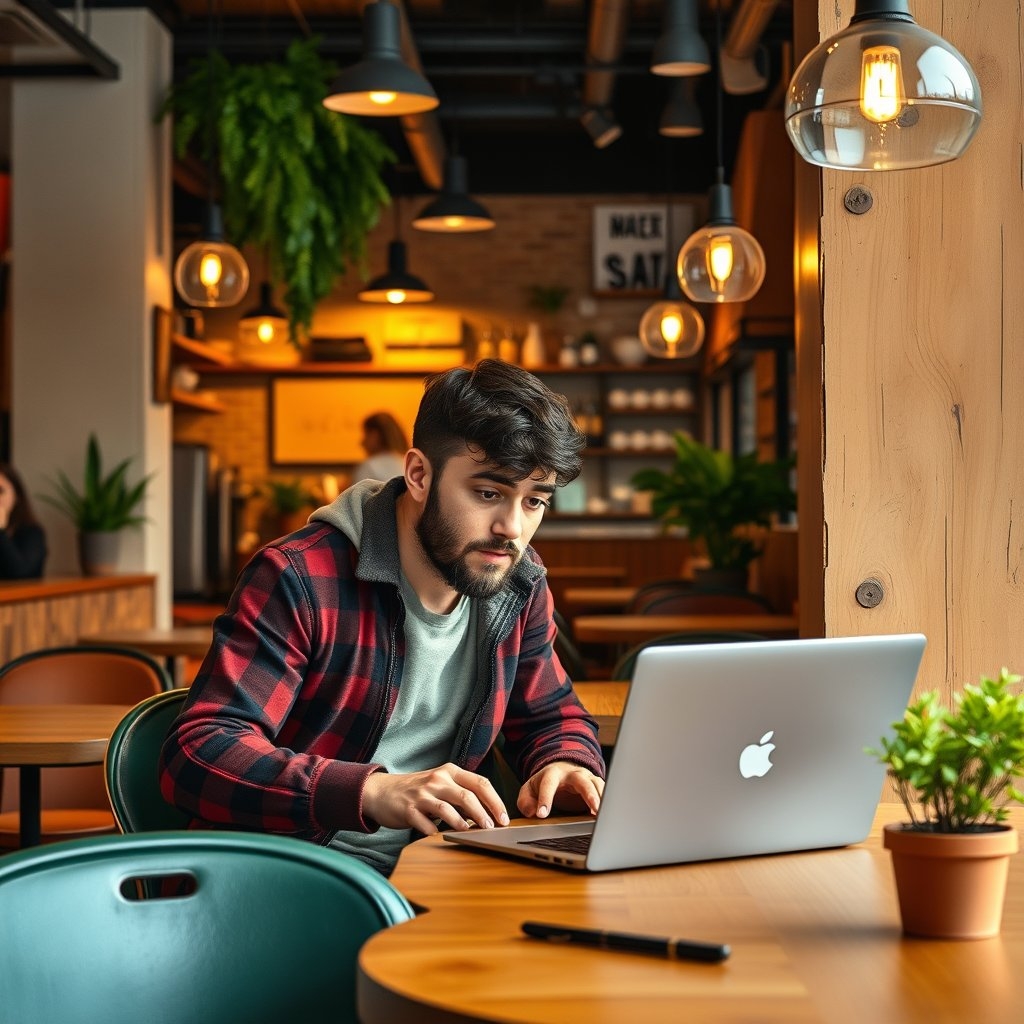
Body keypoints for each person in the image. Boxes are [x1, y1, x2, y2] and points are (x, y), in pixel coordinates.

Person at [160, 360, 606, 876]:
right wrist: (373, 790)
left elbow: (553, 716)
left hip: (445, 870)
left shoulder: (518, 583)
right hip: (297, 875)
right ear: (418, 474)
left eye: (534, 501)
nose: (511, 527)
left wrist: (565, 762)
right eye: (488, 493)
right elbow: (198, 755)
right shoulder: (300, 577)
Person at [0, 463, 47, 580]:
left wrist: (0, 531)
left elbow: (20, 573)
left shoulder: (31, 533)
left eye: (0, 491)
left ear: (17, 495)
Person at [351, 411, 409, 483]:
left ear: (375, 435)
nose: (362, 442)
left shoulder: (369, 467)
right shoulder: (408, 464)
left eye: (366, 434)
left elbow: (357, 494)